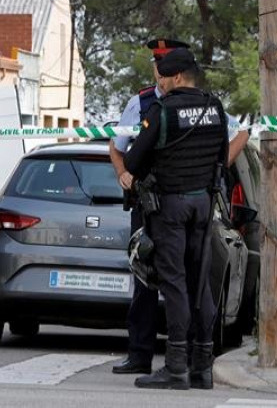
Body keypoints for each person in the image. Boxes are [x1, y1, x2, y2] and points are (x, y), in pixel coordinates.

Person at [110, 38, 248, 377]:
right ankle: (200, 364)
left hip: (167, 207)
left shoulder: (162, 109)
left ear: (174, 76)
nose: (158, 74)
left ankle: (175, 366)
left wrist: (137, 167)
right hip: (200, 205)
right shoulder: (211, 107)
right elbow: (221, 152)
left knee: (172, 283)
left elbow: (133, 156)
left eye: (163, 69)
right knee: (196, 282)